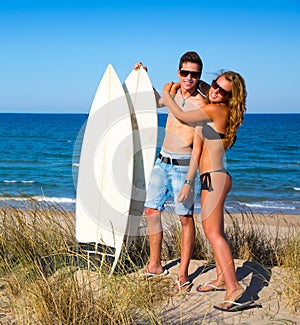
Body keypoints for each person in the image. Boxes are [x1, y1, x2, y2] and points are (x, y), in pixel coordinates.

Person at [162, 71, 248, 310]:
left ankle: (234, 287)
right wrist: (196, 83)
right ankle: (222, 278)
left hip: (214, 179)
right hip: (216, 177)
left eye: (223, 91)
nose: (216, 91)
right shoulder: (219, 109)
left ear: (230, 97)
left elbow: (180, 114)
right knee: (216, 230)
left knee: (213, 234)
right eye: (215, 85)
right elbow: (206, 89)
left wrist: (167, 93)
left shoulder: (214, 110)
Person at [135, 51, 206, 293]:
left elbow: (198, 147)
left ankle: (183, 274)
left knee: (185, 219)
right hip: (161, 160)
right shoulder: (172, 93)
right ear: (179, 72)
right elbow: (155, 101)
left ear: (199, 76)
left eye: (194, 74)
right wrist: (144, 77)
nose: (188, 78)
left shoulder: (202, 104)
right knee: (151, 210)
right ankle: (155, 264)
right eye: (185, 72)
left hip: (183, 166)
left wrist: (188, 181)